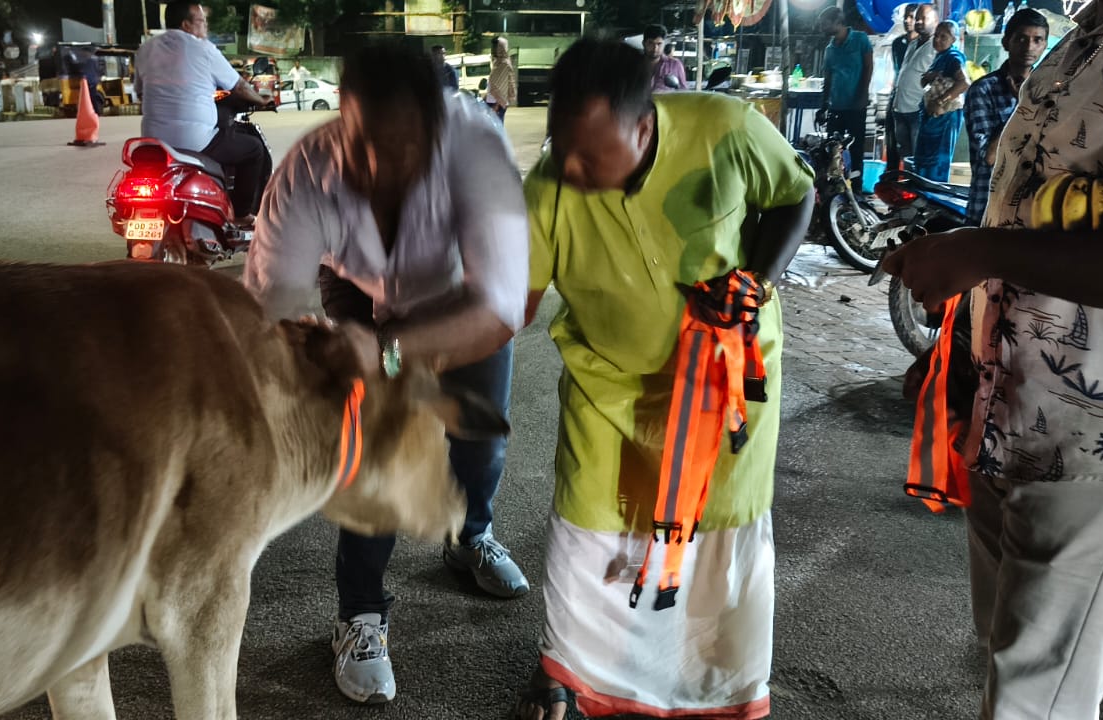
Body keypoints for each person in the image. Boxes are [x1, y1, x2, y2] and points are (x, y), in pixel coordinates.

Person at [881, 0, 1103, 716]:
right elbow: (1026, 211)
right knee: (1013, 679)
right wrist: (965, 357)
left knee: (1034, 704)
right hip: (1009, 421)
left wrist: (977, 251)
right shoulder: (1086, 36)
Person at [516, 36, 813, 720]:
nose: (571, 165)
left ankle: (717, 692)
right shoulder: (549, 186)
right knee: (587, 536)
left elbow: (796, 195)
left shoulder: (726, 128)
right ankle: (572, 674)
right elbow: (510, 306)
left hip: (720, 389)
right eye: (561, 146)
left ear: (643, 126)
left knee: (717, 542)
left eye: (589, 152)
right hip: (608, 393)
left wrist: (756, 280)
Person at [242, 40, 530, 707]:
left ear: (441, 119)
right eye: (366, 141)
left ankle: (471, 536)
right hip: (353, 294)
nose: (381, 165)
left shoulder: (478, 148)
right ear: (343, 114)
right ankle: (360, 612)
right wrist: (333, 362)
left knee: (480, 442)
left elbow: (499, 308)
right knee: (375, 450)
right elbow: (272, 308)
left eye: (405, 147)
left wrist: (392, 354)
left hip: (462, 302)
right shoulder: (308, 166)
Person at [137, 1, 275, 224]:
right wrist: (262, 100)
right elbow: (238, 86)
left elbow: (140, 90)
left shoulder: (145, 49)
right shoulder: (204, 49)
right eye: (202, 22)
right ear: (187, 25)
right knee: (253, 150)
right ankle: (241, 214)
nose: (205, 28)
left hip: (152, 142)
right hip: (194, 143)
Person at [962, 9, 1047, 226]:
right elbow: (990, 157)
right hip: (990, 208)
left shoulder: (1048, 90)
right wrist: (1023, 105)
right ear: (1006, 42)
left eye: (1037, 40)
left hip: (1032, 210)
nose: (1029, 47)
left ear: (1045, 45)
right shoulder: (983, 90)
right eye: (1021, 39)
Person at [818, 6, 874, 182]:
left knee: (856, 149)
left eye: (825, 24)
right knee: (834, 149)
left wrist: (862, 95)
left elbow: (868, 67)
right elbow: (828, 78)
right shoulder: (830, 49)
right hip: (837, 106)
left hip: (856, 105)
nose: (822, 28)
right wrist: (824, 105)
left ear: (838, 22)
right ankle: (836, 185)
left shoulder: (860, 39)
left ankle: (856, 186)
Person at [913, 20, 969, 182]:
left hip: (945, 116)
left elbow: (964, 82)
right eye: (936, 35)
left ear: (954, 40)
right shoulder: (940, 57)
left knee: (937, 161)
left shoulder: (953, 57)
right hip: (932, 117)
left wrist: (939, 101)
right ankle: (924, 194)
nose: (937, 40)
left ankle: (934, 198)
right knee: (926, 159)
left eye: (943, 37)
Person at [888, 3, 937, 172]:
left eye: (924, 18)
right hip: (900, 109)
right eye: (917, 18)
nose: (919, 22)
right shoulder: (911, 44)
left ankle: (919, 194)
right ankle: (908, 193)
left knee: (919, 157)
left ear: (935, 21)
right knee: (905, 157)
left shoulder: (936, 46)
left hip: (918, 111)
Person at [642, 25, 687, 93]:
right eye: (650, 43)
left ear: (664, 44)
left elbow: (683, 92)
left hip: (666, 103)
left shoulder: (675, 65)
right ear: (643, 43)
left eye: (659, 44)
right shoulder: (634, 65)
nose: (655, 48)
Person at [486, 36, 517, 122]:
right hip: (492, 101)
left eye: (495, 46)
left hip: (497, 103)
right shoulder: (497, 62)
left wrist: (497, 104)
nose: (493, 49)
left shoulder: (504, 63)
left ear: (501, 47)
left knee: (496, 128)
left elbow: (502, 86)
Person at [890, 4, 918, 75]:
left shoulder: (924, 44)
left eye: (911, 17)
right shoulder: (897, 43)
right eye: (905, 17)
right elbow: (896, 69)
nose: (907, 20)